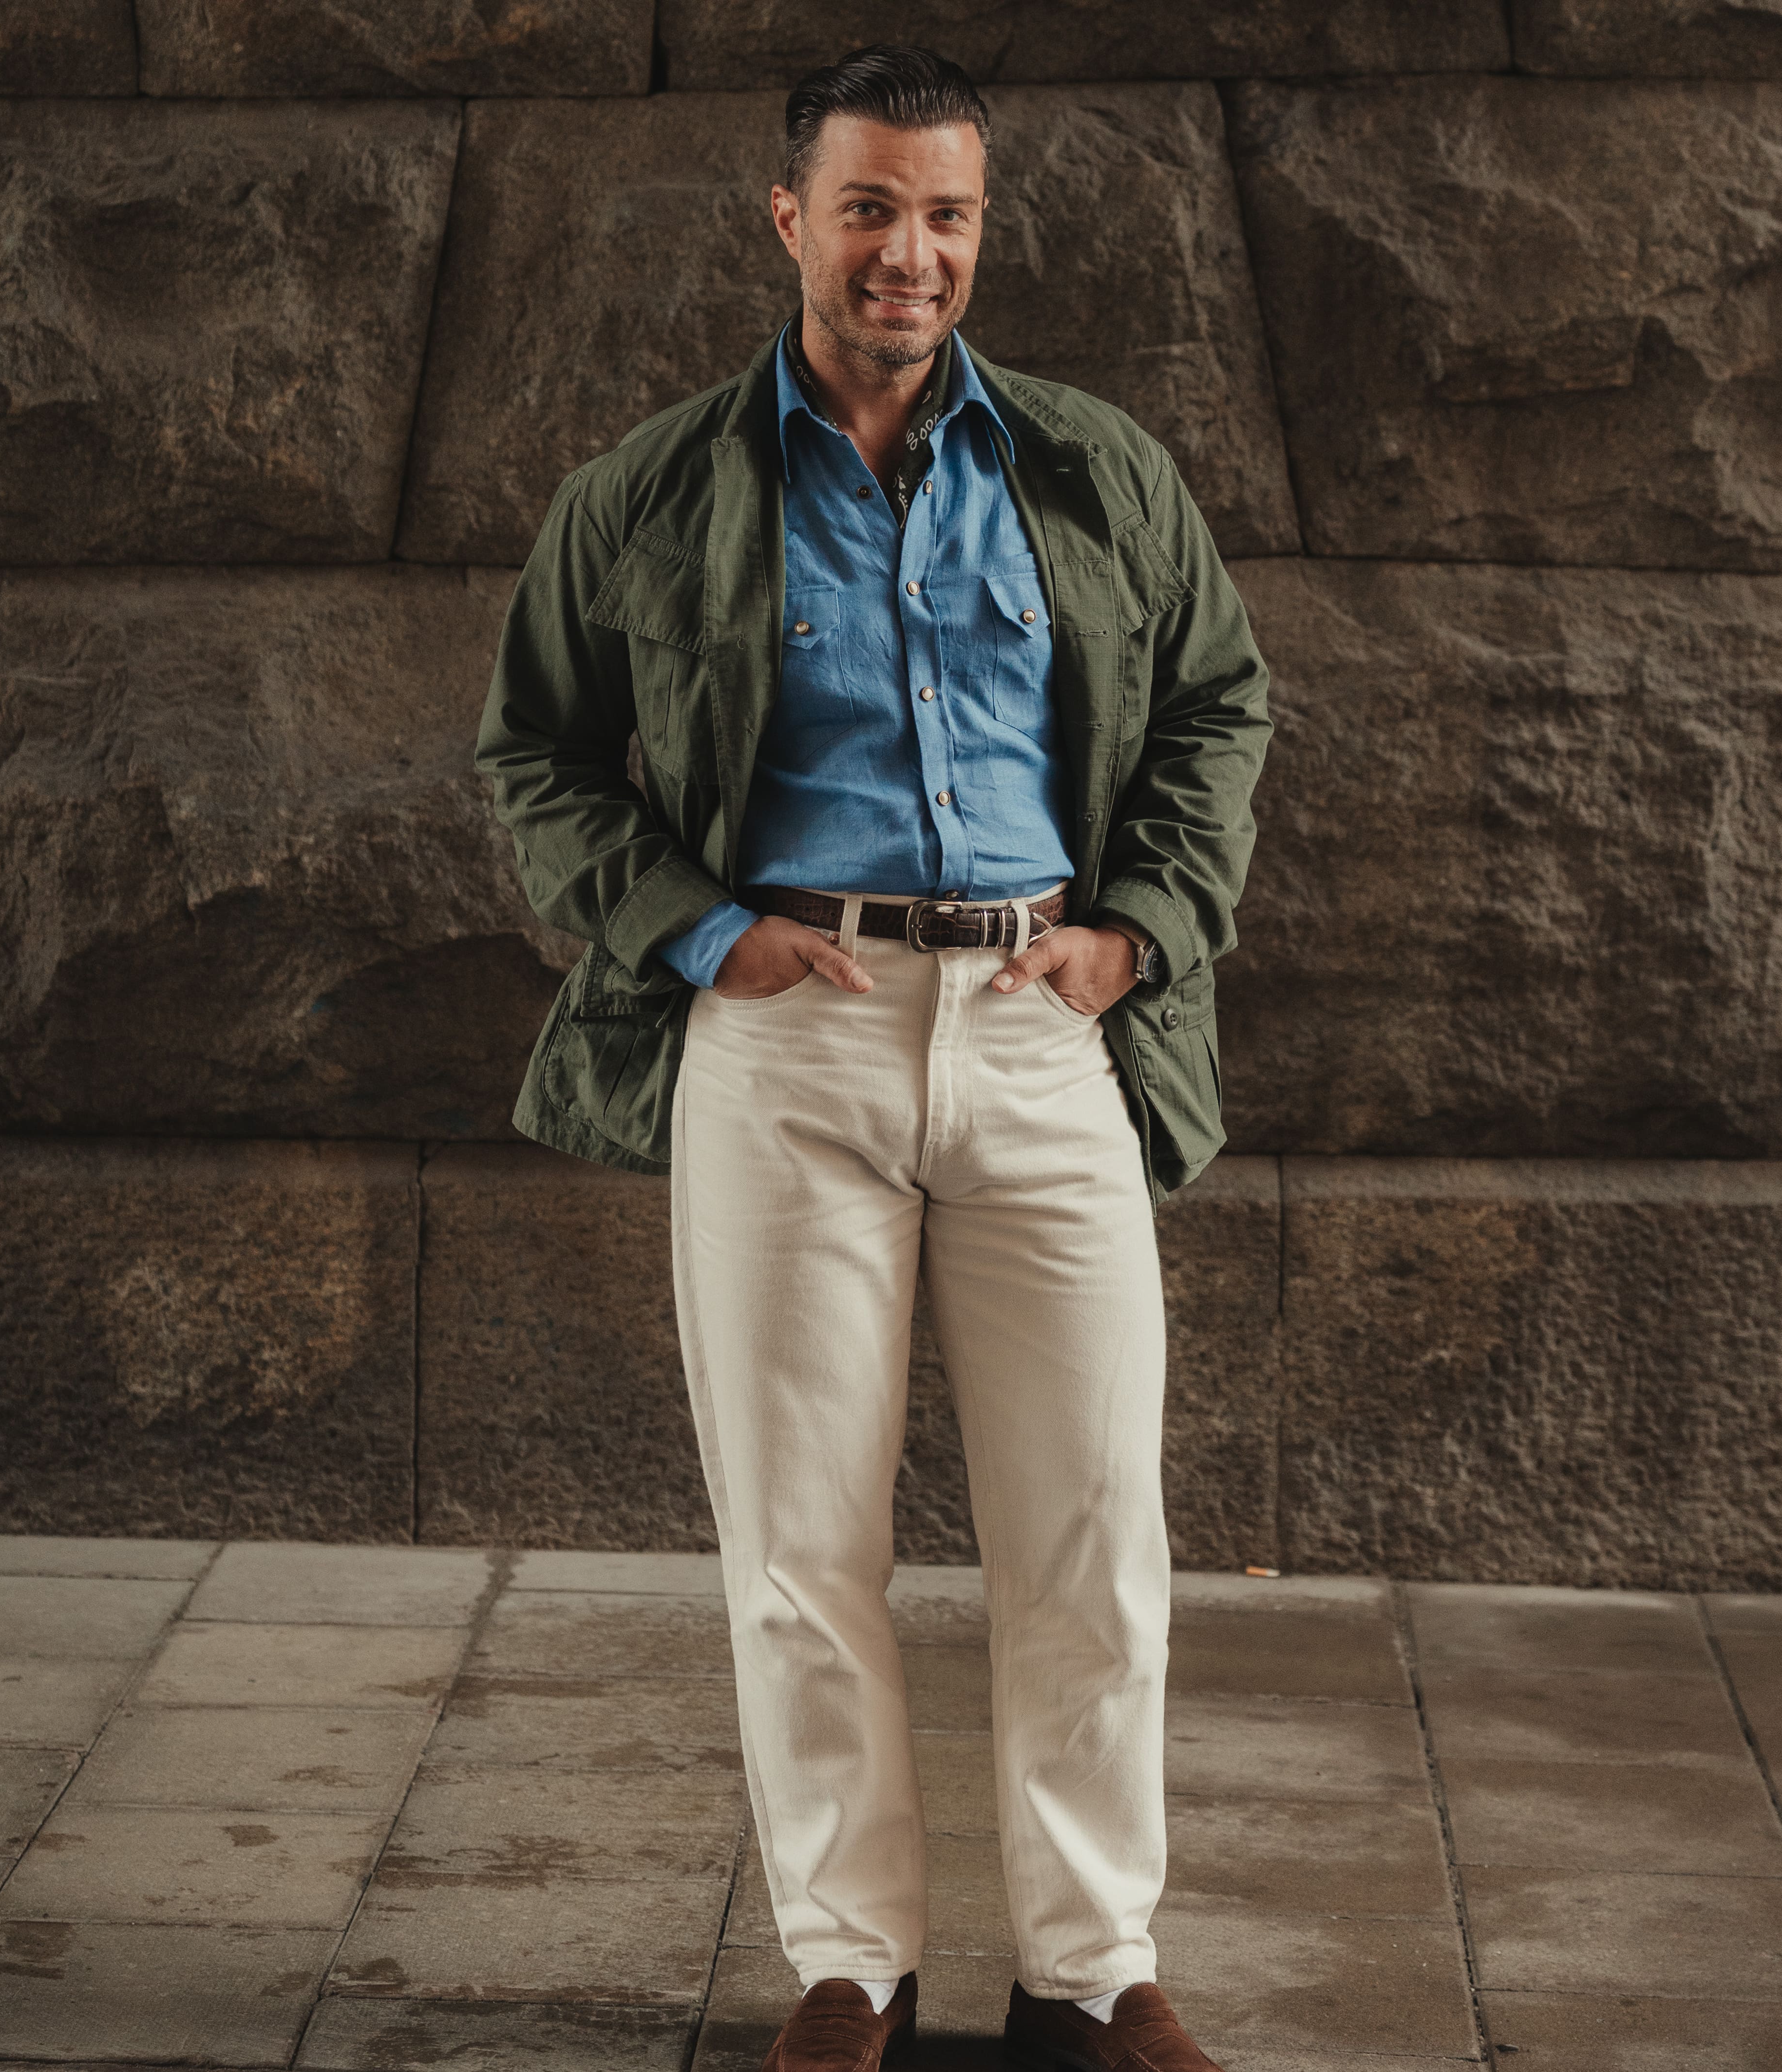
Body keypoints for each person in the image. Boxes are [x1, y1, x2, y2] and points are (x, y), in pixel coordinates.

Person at [476, 43, 1272, 2072]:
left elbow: (1215, 710)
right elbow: (536, 758)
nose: (907, 252)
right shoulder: (651, 488)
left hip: (1035, 1027)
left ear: (974, 229)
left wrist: (1136, 931)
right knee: (801, 1534)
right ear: (788, 219)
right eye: (867, 208)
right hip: (791, 1038)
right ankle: (851, 1961)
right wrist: (705, 930)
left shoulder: (1090, 469)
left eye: (944, 215)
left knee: (1092, 1527)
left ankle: (1093, 1972)